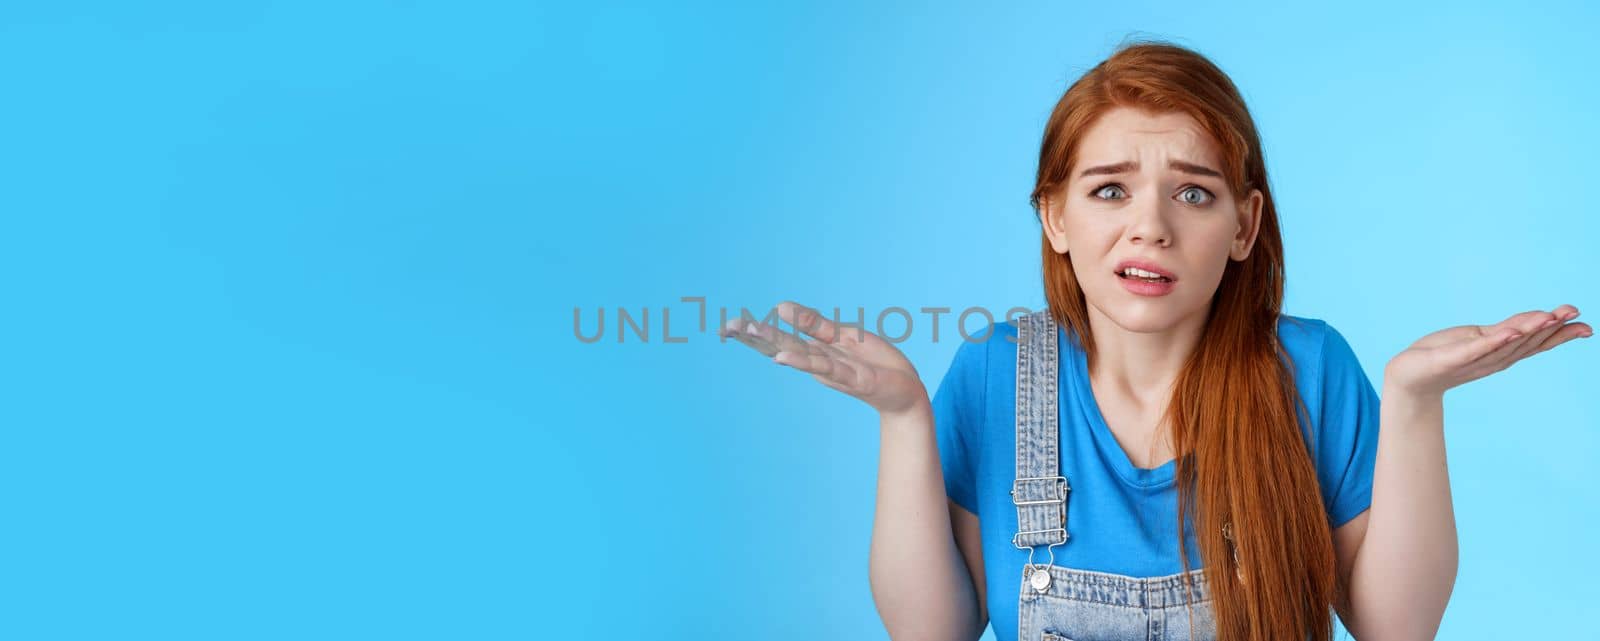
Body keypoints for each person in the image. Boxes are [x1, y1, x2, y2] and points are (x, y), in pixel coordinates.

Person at [720, 41, 1590, 641]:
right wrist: (904, 417)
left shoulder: (1312, 371)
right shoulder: (994, 375)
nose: (1151, 228)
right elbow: (931, 628)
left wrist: (1415, 401)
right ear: (1054, 215)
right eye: (1108, 191)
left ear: (1245, 225)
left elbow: (1397, 626)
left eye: (1195, 194)